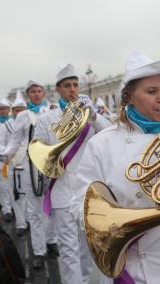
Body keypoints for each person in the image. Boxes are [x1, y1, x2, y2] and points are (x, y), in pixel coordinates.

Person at [70, 51, 160, 284]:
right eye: (151, 91)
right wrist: (110, 225)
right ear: (129, 96)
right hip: (135, 266)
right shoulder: (103, 143)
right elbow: (79, 204)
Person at [34, 64, 111, 284]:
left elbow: (109, 135)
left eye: (76, 85)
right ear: (57, 89)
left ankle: (84, 280)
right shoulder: (46, 120)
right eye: (67, 86)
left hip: (87, 191)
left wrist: (94, 116)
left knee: (86, 245)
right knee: (68, 248)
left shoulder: (89, 114)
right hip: (61, 189)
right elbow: (39, 153)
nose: (73, 89)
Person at [3, 80, 58, 269]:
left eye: (39, 91)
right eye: (32, 91)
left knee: (51, 207)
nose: (36, 94)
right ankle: (39, 252)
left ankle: (51, 240)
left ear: (44, 93)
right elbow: (15, 139)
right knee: (34, 212)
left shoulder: (52, 112)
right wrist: (7, 154)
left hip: (50, 166)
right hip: (30, 166)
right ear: (28, 95)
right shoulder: (23, 116)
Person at [0, 91, 28, 237]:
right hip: (12, 163)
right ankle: (21, 223)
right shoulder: (6, 125)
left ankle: (29, 220)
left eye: (22, 109)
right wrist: (6, 153)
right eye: (17, 109)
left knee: (31, 195)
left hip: (29, 163)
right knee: (15, 193)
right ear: (13, 111)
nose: (19, 112)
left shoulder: (33, 122)